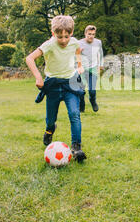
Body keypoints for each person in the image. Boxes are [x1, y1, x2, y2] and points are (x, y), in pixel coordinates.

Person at [26, 15, 87, 162]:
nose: (64, 40)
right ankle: (49, 130)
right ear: (54, 34)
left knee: (74, 114)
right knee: (50, 119)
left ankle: (76, 147)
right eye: (60, 37)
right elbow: (29, 58)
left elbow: (78, 50)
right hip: (52, 85)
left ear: (71, 33)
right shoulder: (49, 44)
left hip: (70, 84)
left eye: (67, 36)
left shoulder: (74, 43)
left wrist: (79, 65)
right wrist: (38, 77)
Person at [78, 25, 104, 113]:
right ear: (85, 33)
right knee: (81, 91)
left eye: (93, 34)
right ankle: (81, 104)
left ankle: (93, 101)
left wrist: (100, 65)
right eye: (89, 34)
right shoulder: (79, 43)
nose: (91, 36)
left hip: (93, 68)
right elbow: (75, 56)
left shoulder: (98, 42)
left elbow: (100, 54)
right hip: (82, 69)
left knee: (92, 90)